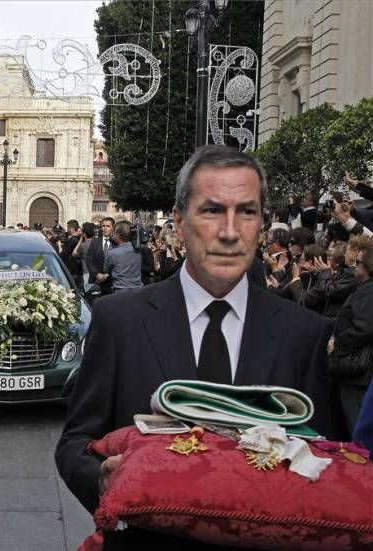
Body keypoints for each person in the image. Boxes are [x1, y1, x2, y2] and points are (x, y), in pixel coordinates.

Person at [56, 145, 336, 549]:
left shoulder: (303, 332)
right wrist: (101, 478)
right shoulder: (121, 321)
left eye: (246, 211)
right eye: (211, 210)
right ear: (179, 220)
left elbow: (321, 455)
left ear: (261, 223)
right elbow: (75, 442)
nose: (228, 230)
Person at [328, 242, 373, 437]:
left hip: (358, 374)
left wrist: (338, 344)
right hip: (355, 373)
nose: (355, 266)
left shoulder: (369, 291)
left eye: (359, 262)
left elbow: (364, 328)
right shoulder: (365, 288)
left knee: (355, 429)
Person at [103, 220, 142, 292]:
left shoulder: (113, 253)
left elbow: (106, 269)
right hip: (138, 289)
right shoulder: (138, 250)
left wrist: (112, 243)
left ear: (117, 235)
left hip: (121, 290)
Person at [87, 217, 114, 295]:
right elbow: (89, 260)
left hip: (111, 282)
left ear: (113, 228)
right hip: (95, 281)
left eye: (108, 226)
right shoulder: (94, 242)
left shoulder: (116, 243)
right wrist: (97, 274)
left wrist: (107, 275)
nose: (105, 228)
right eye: (103, 226)